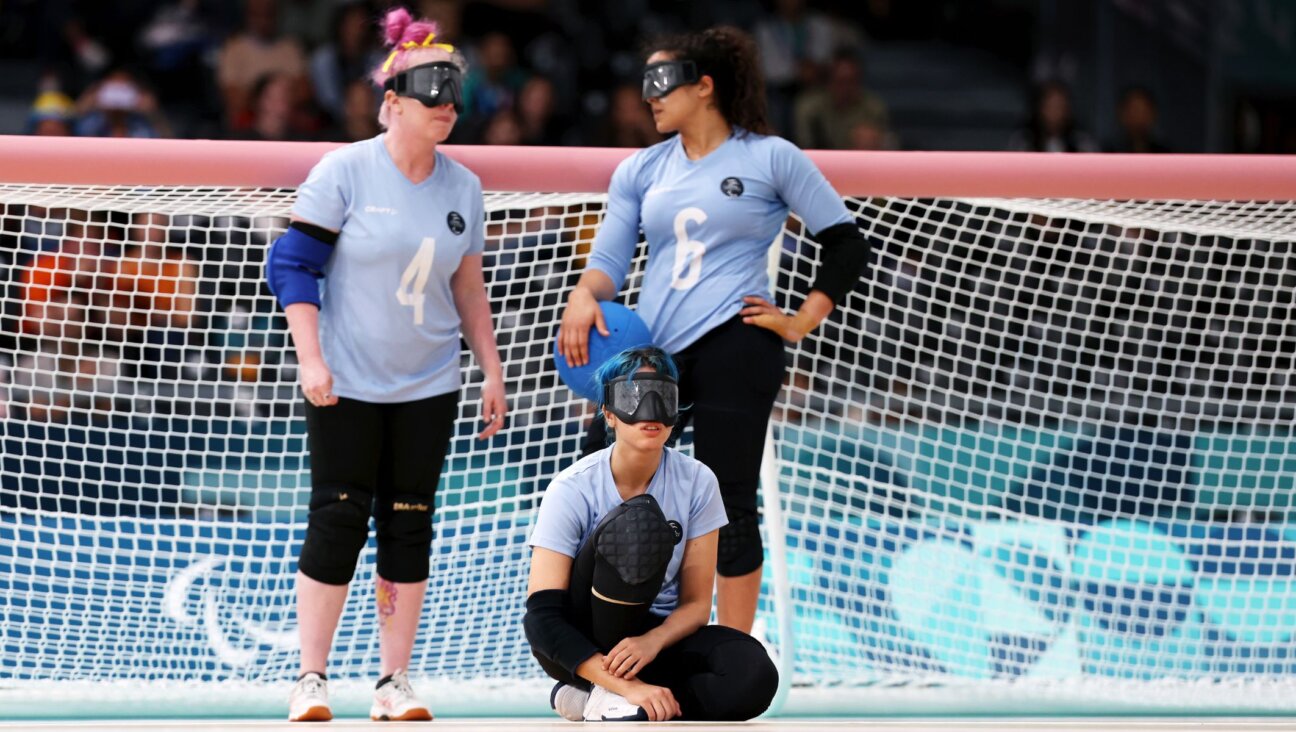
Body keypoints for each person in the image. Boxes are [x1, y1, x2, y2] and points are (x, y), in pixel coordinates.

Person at [557, 27, 870, 635]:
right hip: (654, 353)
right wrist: (580, 297)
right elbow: (607, 266)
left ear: (704, 87)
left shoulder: (770, 156)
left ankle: (731, 655)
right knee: (600, 481)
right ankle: (598, 649)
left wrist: (801, 320)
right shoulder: (641, 170)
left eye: (661, 81)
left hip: (737, 340)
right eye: (642, 82)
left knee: (729, 503)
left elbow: (846, 244)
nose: (648, 95)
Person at [265, 7, 507, 723]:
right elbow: (293, 264)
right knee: (338, 517)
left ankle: (393, 682)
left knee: (410, 523)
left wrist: (491, 369)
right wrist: (310, 358)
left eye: (453, 97)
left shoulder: (462, 186)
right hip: (347, 375)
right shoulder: (345, 170)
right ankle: (311, 678)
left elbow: (468, 286)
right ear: (390, 104)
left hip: (429, 380)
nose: (446, 108)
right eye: (429, 95)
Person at [525, 346, 778, 722]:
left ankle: (608, 701)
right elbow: (542, 617)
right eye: (634, 397)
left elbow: (695, 604)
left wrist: (652, 641)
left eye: (664, 396)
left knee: (753, 675)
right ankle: (609, 688)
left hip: (654, 644)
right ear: (609, 413)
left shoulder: (698, 481)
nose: (651, 411)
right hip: (585, 642)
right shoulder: (572, 487)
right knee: (638, 523)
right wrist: (624, 683)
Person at [1009, 80, 1099, 153]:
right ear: (1039, 108)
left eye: (1059, 106)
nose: (1055, 112)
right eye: (1050, 106)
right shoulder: (1023, 141)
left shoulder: (1081, 142)